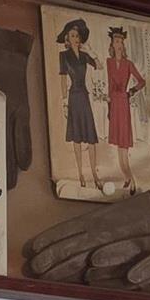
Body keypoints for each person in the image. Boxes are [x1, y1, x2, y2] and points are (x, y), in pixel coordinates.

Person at [54, 19, 100, 194]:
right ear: (67, 38)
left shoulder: (84, 56)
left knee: (90, 136)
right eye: (72, 35)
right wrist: (64, 102)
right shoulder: (64, 56)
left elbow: (99, 66)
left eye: (77, 35)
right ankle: (81, 174)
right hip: (73, 96)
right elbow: (62, 78)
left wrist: (91, 51)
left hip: (84, 95)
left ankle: (95, 175)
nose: (75, 38)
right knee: (77, 137)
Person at [102, 25, 145, 193]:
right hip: (114, 104)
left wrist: (131, 91)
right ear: (112, 44)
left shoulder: (128, 64)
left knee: (124, 148)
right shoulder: (109, 62)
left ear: (123, 44)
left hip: (123, 103)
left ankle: (132, 181)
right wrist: (108, 107)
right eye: (115, 41)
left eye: (120, 41)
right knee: (119, 148)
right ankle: (127, 178)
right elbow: (110, 86)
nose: (118, 44)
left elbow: (141, 81)